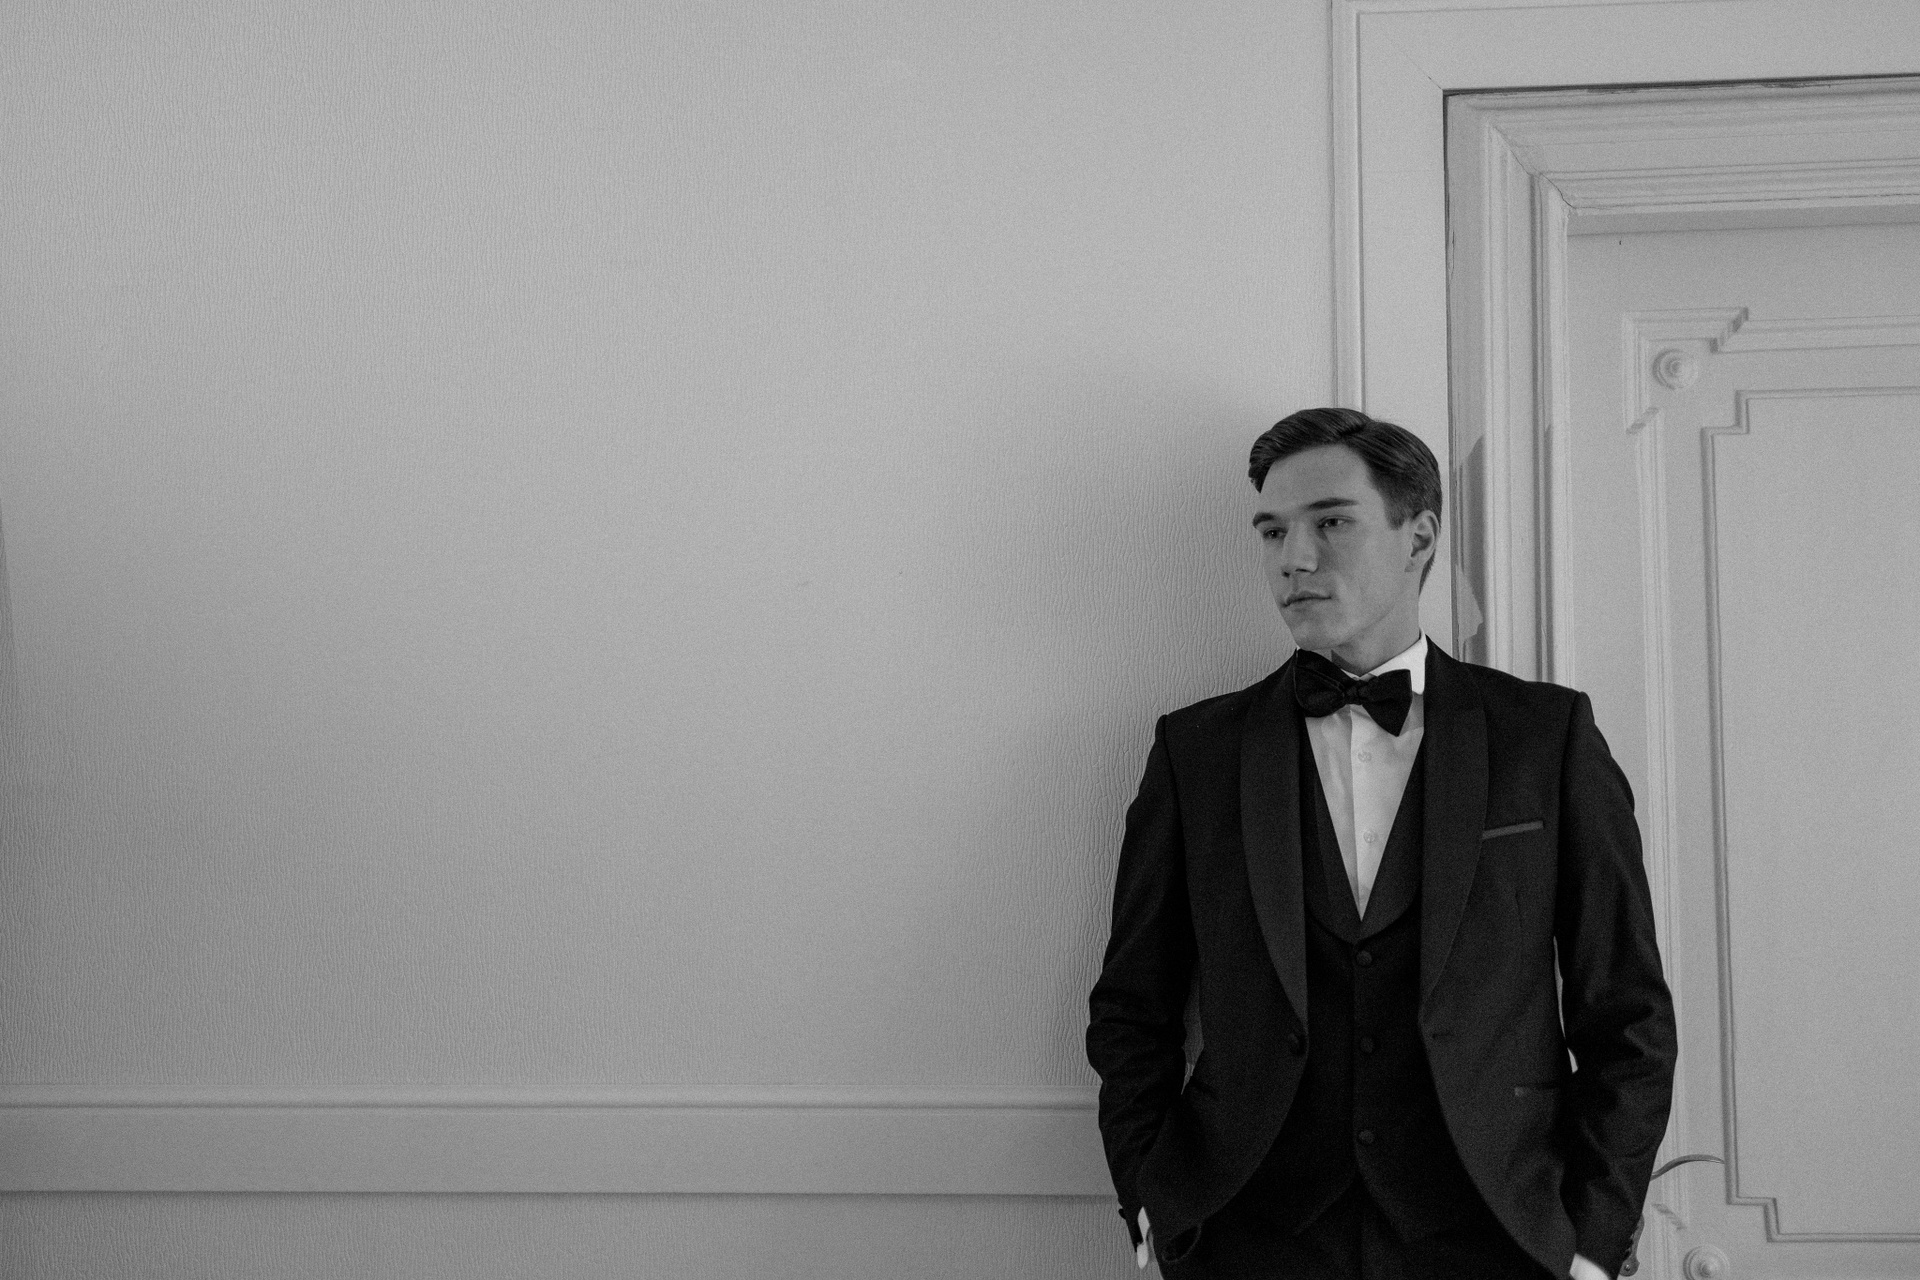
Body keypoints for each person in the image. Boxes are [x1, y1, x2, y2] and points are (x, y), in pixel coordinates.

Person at [1086, 408, 1676, 1279]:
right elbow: (1132, 1006)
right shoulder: (1196, 752)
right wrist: (1150, 1197)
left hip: (1497, 1230)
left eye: (1330, 522)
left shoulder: (1543, 737)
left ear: (1419, 536)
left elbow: (1627, 1009)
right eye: (1272, 531)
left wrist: (1592, 1241)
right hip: (1248, 1235)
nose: (1293, 558)